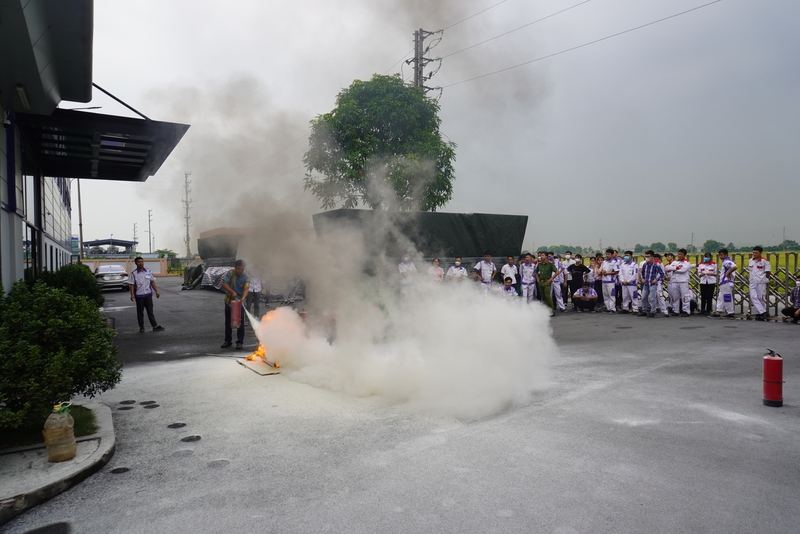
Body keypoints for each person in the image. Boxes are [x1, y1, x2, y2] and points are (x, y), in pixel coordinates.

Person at [128, 256, 165, 333]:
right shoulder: (134, 274)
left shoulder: (148, 271)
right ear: (136, 263)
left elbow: (152, 282)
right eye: (139, 262)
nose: (141, 263)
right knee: (140, 312)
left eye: (142, 261)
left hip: (148, 295)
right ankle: (141, 327)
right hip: (139, 296)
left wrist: (156, 291)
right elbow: (131, 285)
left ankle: (154, 325)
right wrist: (132, 295)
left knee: (150, 311)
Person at [221, 259, 250, 349]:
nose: (240, 271)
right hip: (229, 301)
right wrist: (232, 292)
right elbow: (224, 284)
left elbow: (246, 289)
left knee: (240, 323)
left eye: (242, 269)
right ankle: (227, 341)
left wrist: (243, 298)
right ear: (235, 267)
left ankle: (239, 342)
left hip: (239, 302)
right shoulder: (230, 273)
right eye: (238, 268)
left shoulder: (246, 277)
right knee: (228, 322)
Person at [665, 249, 693, 316]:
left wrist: (674, 269)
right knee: (675, 296)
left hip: (683, 281)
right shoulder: (675, 262)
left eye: (681, 254)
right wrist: (677, 268)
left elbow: (683, 270)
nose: (679, 255)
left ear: (684, 255)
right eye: (679, 254)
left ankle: (686, 311)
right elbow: (666, 268)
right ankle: (676, 310)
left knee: (685, 296)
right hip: (675, 281)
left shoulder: (687, 262)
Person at [710, 248, 737, 318]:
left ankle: (730, 312)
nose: (720, 256)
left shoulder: (726, 261)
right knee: (720, 297)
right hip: (723, 282)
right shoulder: (726, 261)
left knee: (727, 297)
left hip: (726, 282)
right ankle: (718, 311)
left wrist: (728, 273)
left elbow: (734, 267)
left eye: (721, 255)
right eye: (719, 255)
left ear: (726, 254)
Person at [637, 250, 664, 318]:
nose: (647, 258)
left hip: (652, 284)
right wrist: (642, 278)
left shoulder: (656, 265)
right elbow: (642, 273)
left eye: (648, 256)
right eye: (646, 256)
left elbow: (662, 273)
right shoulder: (645, 265)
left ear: (652, 257)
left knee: (652, 298)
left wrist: (656, 279)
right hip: (646, 283)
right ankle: (644, 310)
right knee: (643, 297)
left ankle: (653, 311)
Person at [748, 246, 772, 321]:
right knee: (753, 297)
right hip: (752, 281)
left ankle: (760, 313)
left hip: (761, 282)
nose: (754, 254)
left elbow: (768, 272)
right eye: (753, 252)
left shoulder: (765, 261)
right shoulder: (751, 260)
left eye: (756, 252)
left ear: (760, 253)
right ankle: (763, 312)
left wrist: (765, 279)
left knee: (760, 298)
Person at [535, 251, 557, 316]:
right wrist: (538, 279)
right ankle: (545, 311)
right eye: (540, 255)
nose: (541, 257)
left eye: (543, 255)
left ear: (546, 256)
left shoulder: (550, 264)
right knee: (543, 297)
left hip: (547, 282)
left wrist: (551, 279)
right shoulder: (539, 264)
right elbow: (536, 272)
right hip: (541, 282)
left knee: (548, 297)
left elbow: (557, 272)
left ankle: (551, 311)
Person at [599, 249, 619, 314]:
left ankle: (613, 308)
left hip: (611, 281)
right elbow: (600, 270)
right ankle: (608, 308)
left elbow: (616, 271)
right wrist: (602, 272)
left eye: (608, 254)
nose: (607, 255)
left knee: (611, 295)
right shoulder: (604, 262)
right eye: (606, 254)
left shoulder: (615, 262)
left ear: (612, 255)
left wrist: (607, 273)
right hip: (604, 280)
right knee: (605, 295)